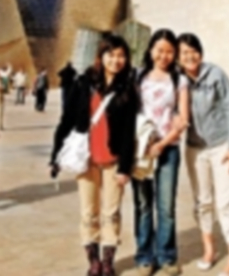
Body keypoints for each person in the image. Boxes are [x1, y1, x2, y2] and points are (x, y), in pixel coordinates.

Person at [50, 35, 139, 276]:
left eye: (121, 55)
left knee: (111, 213)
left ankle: (108, 261)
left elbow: (130, 130)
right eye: (111, 54)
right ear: (101, 56)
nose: (116, 60)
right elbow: (67, 120)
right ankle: (93, 261)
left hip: (113, 160)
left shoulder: (128, 89)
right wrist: (55, 154)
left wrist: (125, 167)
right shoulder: (83, 83)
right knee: (88, 211)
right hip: (85, 159)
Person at [178, 33, 229, 276]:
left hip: (221, 146)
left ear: (200, 53)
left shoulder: (215, 74)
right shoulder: (179, 80)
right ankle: (209, 249)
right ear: (179, 57)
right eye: (184, 53)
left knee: (226, 201)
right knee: (202, 202)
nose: (190, 56)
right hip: (195, 149)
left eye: (193, 51)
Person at [132, 29, 190, 276]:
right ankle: (145, 257)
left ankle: (166, 256)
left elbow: (183, 118)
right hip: (141, 150)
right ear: (150, 50)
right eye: (159, 50)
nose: (164, 55)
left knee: (166, 207)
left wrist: (163, 143)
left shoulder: (179, 80)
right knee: (143, 204)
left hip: (168, 150)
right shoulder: (138, 77)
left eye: (169, 51)